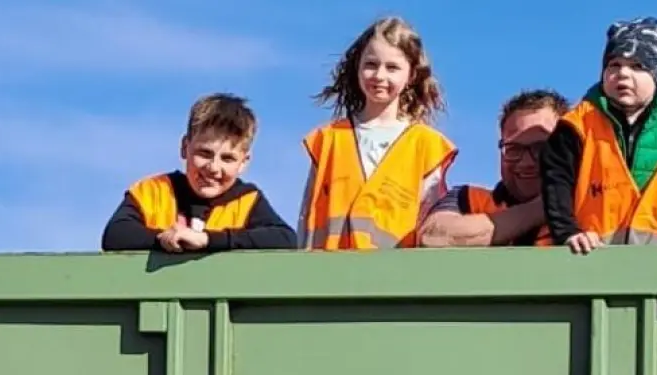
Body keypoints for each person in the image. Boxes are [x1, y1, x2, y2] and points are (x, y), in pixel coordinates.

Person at [541, 17, 657, 257]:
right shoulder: (577, 124)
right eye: (614, 65)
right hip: (591, 256)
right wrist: (568, 233)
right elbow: (556, 180)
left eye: (638, 66)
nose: (623, 74)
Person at [297, 16, 457, 250]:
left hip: (397, 271)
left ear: (411, 75)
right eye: (371, 64)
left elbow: (431, 226)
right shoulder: (328, 139)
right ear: (358, 67)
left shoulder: (426, 145)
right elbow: (307, 218)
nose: (379, 76)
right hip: (330, 268)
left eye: (392, 68)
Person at [101, 93, 297, 253]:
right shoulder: (153, 191)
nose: (213, 167)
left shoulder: (247, 200)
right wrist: (165, 239)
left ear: (243, 162)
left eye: (227, 158)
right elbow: (115, 235)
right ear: (184, 147)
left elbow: (285, 239)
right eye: (204, 153)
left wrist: (208, 240)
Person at [419, 89, 569, 247]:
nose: (526, 162)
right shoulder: (469, 200)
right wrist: (540, 209)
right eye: (513, 149)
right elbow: (431, 236)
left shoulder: (583, 206)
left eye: (541, 148)